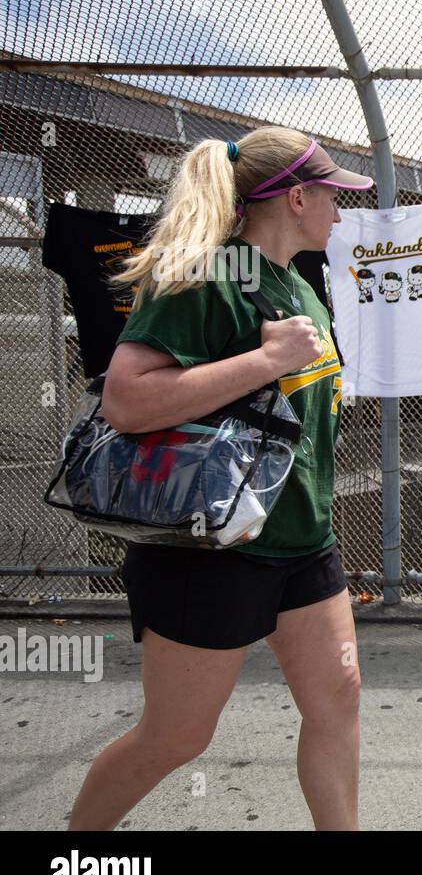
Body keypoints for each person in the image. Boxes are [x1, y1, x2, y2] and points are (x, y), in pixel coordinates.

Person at [67, 126, 374, 830]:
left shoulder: (297, 283)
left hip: (302, 541)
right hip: (209, 549)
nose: (340, 209)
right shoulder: (207, 272)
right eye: (332, 194)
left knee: (339, 698)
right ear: (297, 197)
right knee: (176, 736)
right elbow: (126, 398)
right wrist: (264, 362)